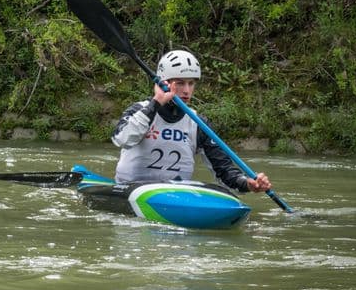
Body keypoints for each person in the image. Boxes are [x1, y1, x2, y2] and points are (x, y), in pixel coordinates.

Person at [111, 49, 272, 193]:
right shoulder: (141, 110)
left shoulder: (198, 123)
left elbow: (224, 172)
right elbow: (122, 139)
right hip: (131, 189)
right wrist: (156, 103)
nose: (187, 90)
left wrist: (247, 183)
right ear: (163, 83)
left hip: (175, 193)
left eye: (191, 83)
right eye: (180, 83)